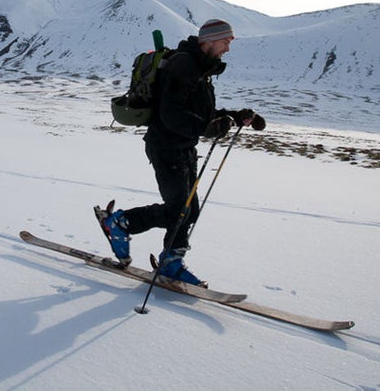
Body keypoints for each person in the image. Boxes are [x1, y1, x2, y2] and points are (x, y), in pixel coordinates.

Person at [99, 19, 266, 285]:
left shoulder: (200, 67)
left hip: (184, 147)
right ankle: (120, 223)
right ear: (209, 41)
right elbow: (171, 113)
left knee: (189, 210)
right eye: (225, 42)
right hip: (165, 146)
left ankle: (170, 261)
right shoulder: (184, 65)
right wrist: (207, 127)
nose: (227, 49)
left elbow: (199, 111)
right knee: (179, 211)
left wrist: (234, 116)